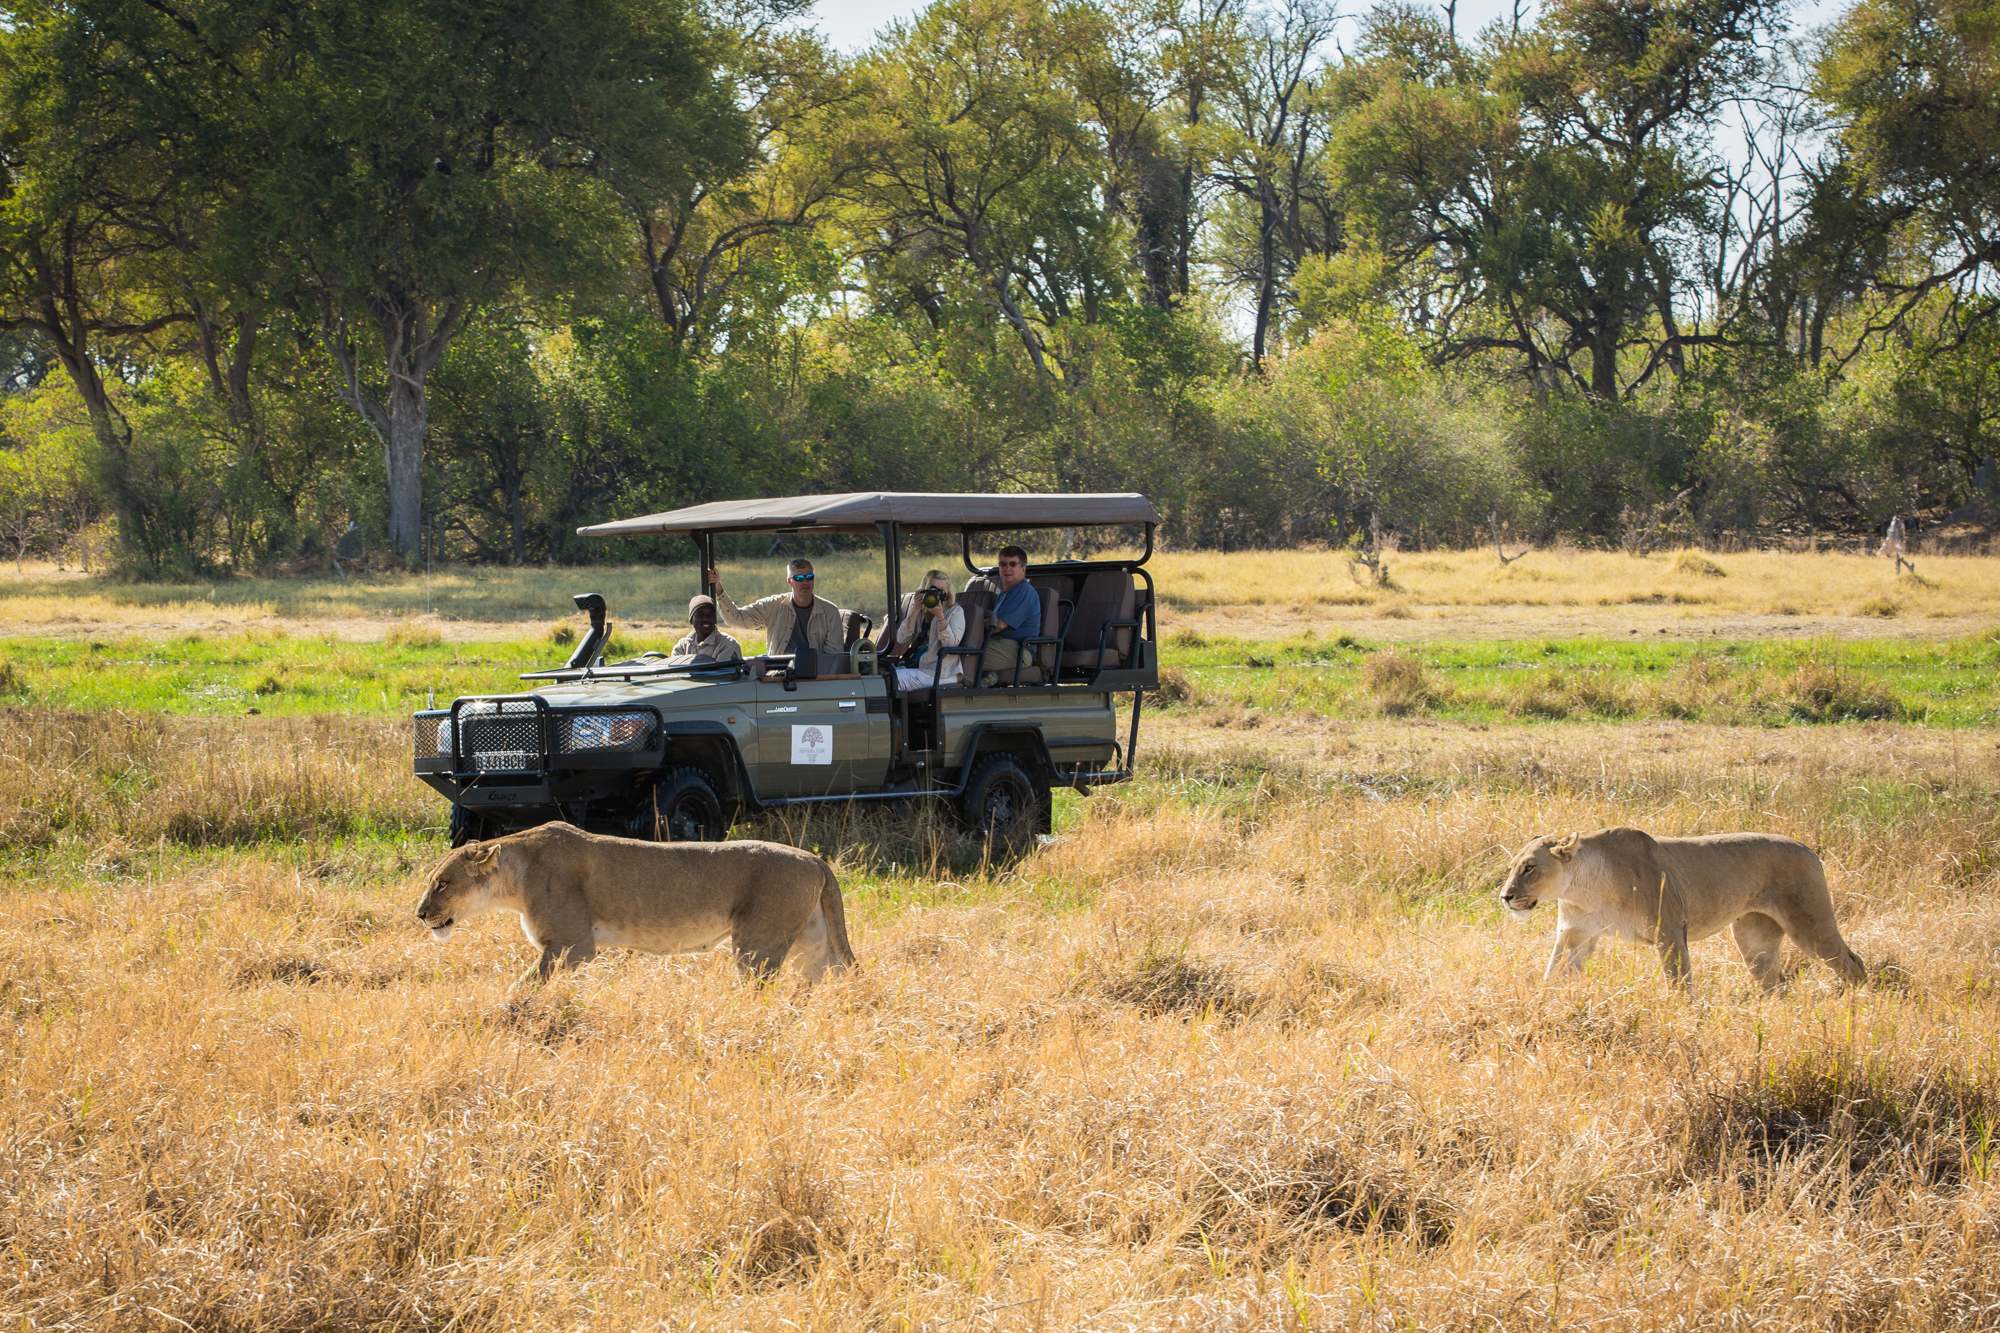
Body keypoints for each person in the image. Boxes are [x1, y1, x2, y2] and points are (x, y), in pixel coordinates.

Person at [704, 557, 845, 658]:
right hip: (778, 675)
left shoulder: (830, 612)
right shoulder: (773, 605)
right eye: (799, 578)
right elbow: (737, 619)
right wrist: (718, 589)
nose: (805, 582)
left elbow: (833, 656)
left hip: (816, 676)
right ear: (789, 581)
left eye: (809, 577)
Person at [891, 570, 965, 691]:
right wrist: (916, 609)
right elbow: (901, 638)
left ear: (947, 592)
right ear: (924, 590)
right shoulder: (920, 611)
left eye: (941, 590)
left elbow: (950, 646)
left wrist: (940, 617)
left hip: (941, 673)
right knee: (881, 677)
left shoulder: (955, 611)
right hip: (916, 667)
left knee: (892, 680)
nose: (937, 593)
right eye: (933, 589)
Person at [979, 544, 1040, 686]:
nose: (1007, 568)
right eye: (1003, 564)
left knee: (965, 653)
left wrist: (974, 624)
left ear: (1023, 569)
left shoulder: (1023, 591)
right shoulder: (1006, 593)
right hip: (1002, 645)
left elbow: (998, 625)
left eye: (1012, 564)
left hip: (1019, 651)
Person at [667, 595, 743, 665]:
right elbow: (675, 672)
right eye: (700, 614)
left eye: (710, 614)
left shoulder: (727, 644)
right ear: (691, 619)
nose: (706, 618)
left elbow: (723, 674)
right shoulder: (682, 647)